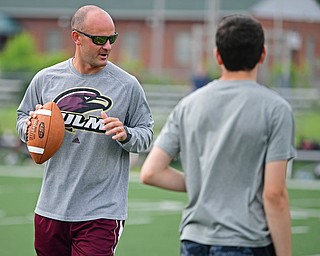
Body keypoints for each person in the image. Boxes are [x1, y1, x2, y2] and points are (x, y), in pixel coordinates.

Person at [141, 14, 296, 256]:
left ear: (217, 56)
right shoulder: (276, 109)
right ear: (263, 54)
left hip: (193, 241)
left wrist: (205, 183)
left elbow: (151, 172)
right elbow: (274, 194)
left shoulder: (189, 104)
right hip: (246, 240)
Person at [16, 5, 153, 256]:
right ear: (76, 37)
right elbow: (22, 118)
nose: (107, 46)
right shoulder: (46, 79)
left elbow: (147, 134)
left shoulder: (128, 85)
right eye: (99, 39)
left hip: (101, 212)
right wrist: (31, 128)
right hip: (51, 208)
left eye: (112, 39)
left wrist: (127, 135)